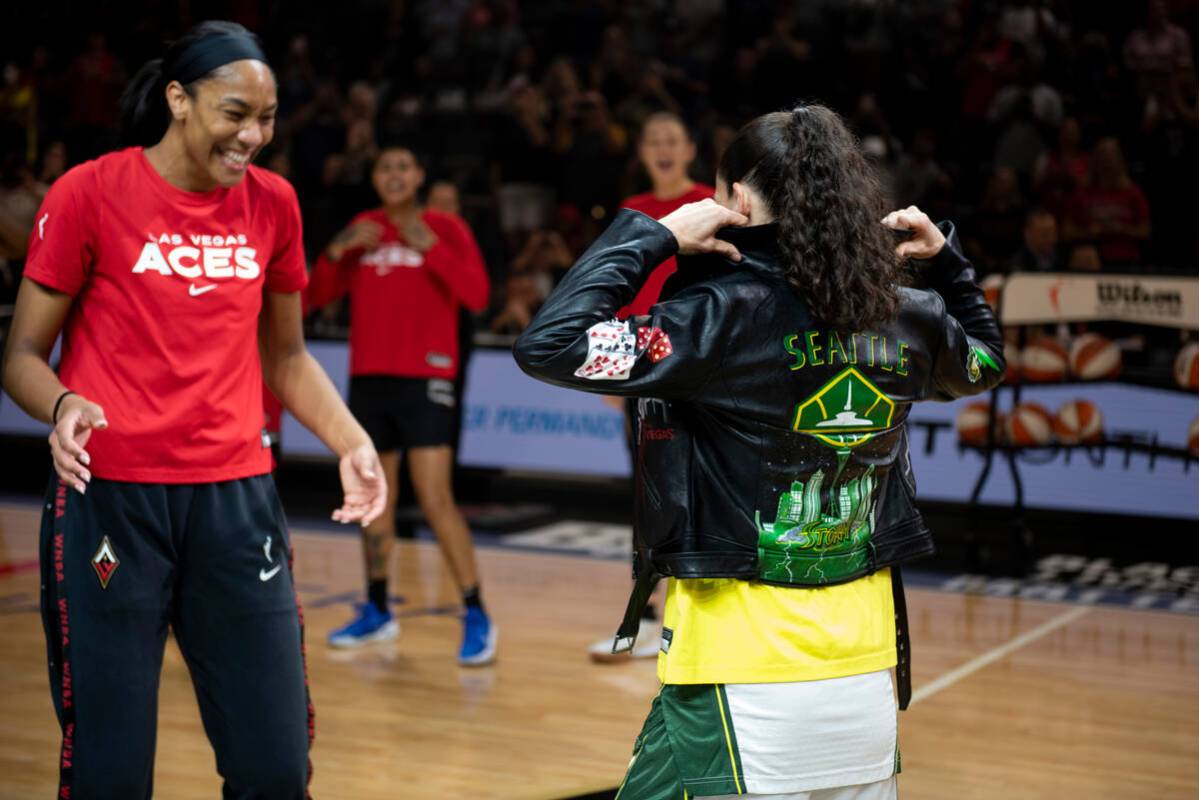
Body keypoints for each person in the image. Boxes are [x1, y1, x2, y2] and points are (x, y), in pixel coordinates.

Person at [515, 104, 1004, 799]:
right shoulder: (909, 315)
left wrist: (653, 236)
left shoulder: (716, 316)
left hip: (739, 678)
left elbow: (550, 344)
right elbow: (984, 359)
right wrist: (948, 264)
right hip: (864, 677)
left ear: (737, 201)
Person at [0, 21, 387, 798]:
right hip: (111, 501)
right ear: (179, 100)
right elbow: (19, 359)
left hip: (236, 503)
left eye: (268, 118)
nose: (254, 136)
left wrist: (351, 441)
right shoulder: (89, 192)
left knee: (275, 770)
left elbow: (286, 356)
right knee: (109, 774)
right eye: (235, 113)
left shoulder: (273, 205)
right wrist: (67, 403)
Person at [306, 146, 497, 664]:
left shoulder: (445, 226)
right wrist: (335, 250)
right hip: (370, 379)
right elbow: (310, 298)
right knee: (373, 498)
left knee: (436, 498)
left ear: (418, 176)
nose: (393, 175)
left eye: (403, 168)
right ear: (374, 178)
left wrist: (431, 247)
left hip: (428, 378)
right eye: (384, 168)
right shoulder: (361, 228)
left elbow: (478, 296)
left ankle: (476, 611)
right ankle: (376, 610)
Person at [589, 111, 713, 663]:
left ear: (690, 148)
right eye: (654, 140)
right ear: (641, 151)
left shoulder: (712, 204)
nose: (664, 148)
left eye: (673, 139)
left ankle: (684, 617)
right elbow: (611, 291)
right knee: (648, 494)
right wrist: (612, 367)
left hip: (697, 368)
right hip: (640, 369)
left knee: (695, 489)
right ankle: (647, 617)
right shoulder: (631, 210)